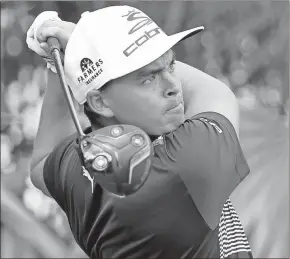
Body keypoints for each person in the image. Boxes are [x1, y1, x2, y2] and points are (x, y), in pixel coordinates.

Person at [28, 5, 253, 259]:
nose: (173, 86)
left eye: (171, 66)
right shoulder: (184, 161)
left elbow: (42, 163)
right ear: (100, 102)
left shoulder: (82, 169)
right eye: (148, 78)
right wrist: (77, 40)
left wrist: (62, 65)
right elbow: (215, 94)